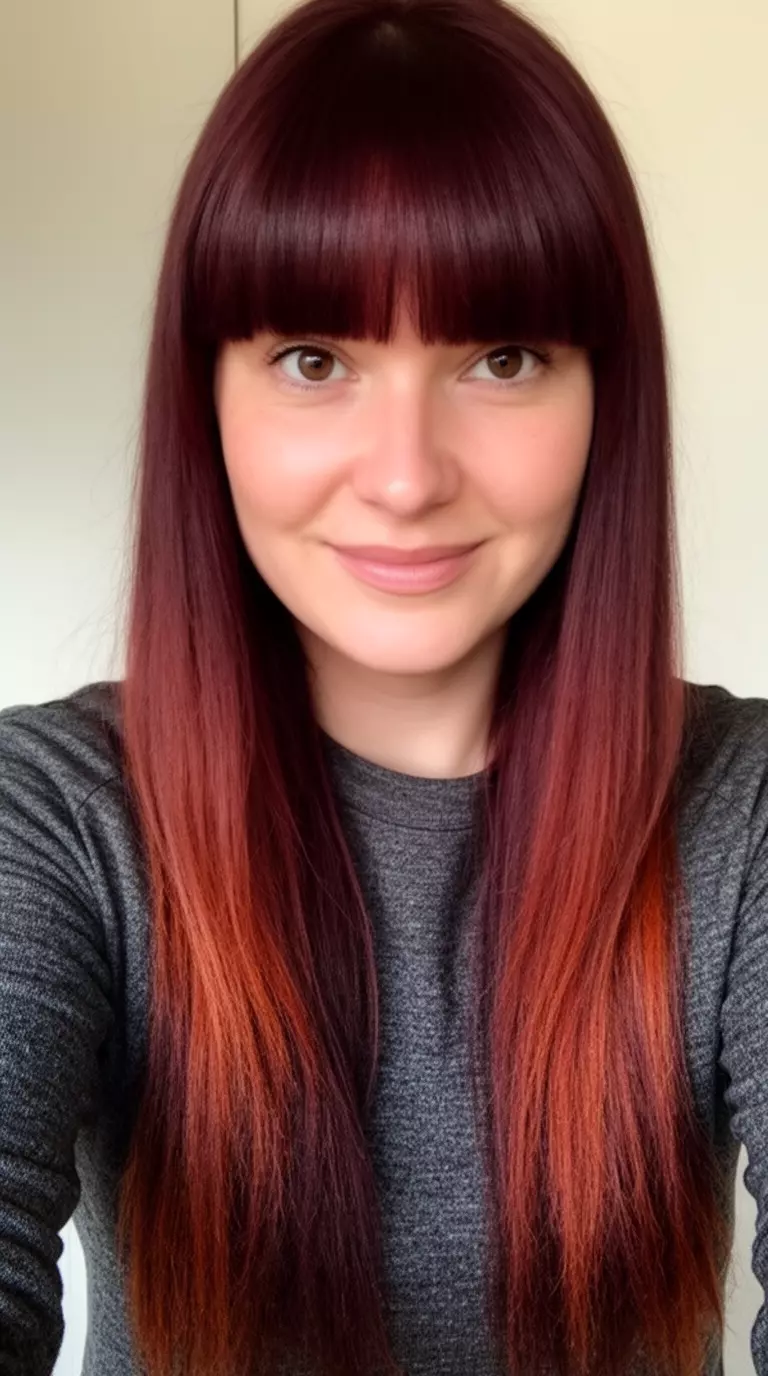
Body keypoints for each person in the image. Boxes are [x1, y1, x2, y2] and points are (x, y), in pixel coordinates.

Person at [1, 0, 767, 1372]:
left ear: (608, 396)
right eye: (314, 361)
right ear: (208, 399)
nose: (407, 477)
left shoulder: (745, 813)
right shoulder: (53, 821)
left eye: (503, 357)